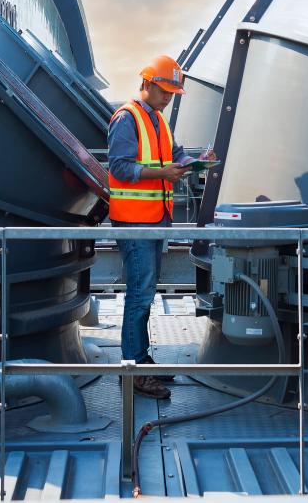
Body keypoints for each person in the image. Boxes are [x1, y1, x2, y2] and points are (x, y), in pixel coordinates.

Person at [107, 54, 214, 399]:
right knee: (140, 294)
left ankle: (140, 360)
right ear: (147, 84)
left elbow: (176, 155)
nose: (168, 98)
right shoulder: (127, 119)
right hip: (136, 223)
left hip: (154, 219)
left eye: (172, 93)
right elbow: (121, 168)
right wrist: (163, 173)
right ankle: (133, 370)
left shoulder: (158, 120)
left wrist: (195, 163)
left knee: (145, 293)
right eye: (164, 91)